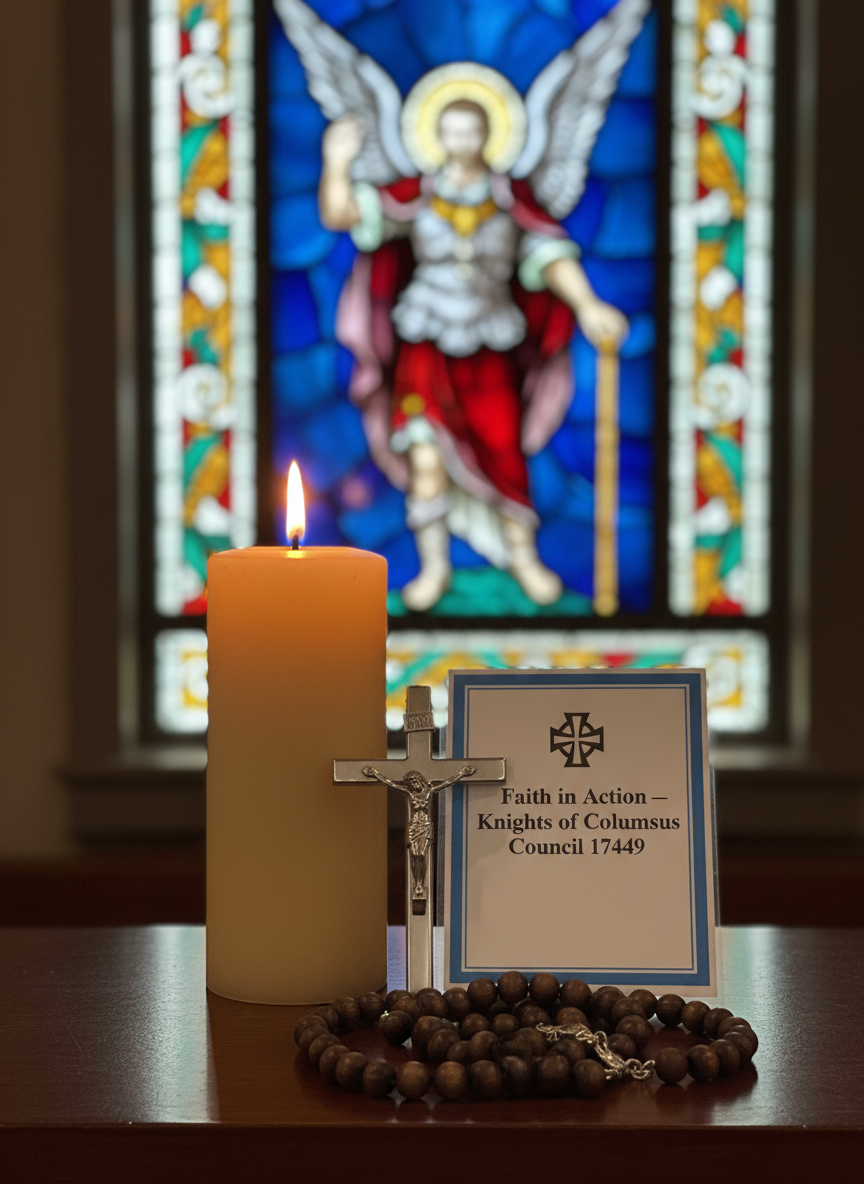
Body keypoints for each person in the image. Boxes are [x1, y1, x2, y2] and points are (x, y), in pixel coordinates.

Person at [320, 98, 628, 612]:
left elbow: (550, 255)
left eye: (471, 132)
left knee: (505, 454)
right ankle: (434, 568)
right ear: (436, 137)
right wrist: (335, 162)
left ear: (489, 136)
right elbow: (342, 214)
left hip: (490, 347)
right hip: (425, 343)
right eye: (451, 132)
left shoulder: (511, 199)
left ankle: (523, 558)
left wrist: (590, 306)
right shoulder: (415, 196)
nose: (461, 142)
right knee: (426, 457)